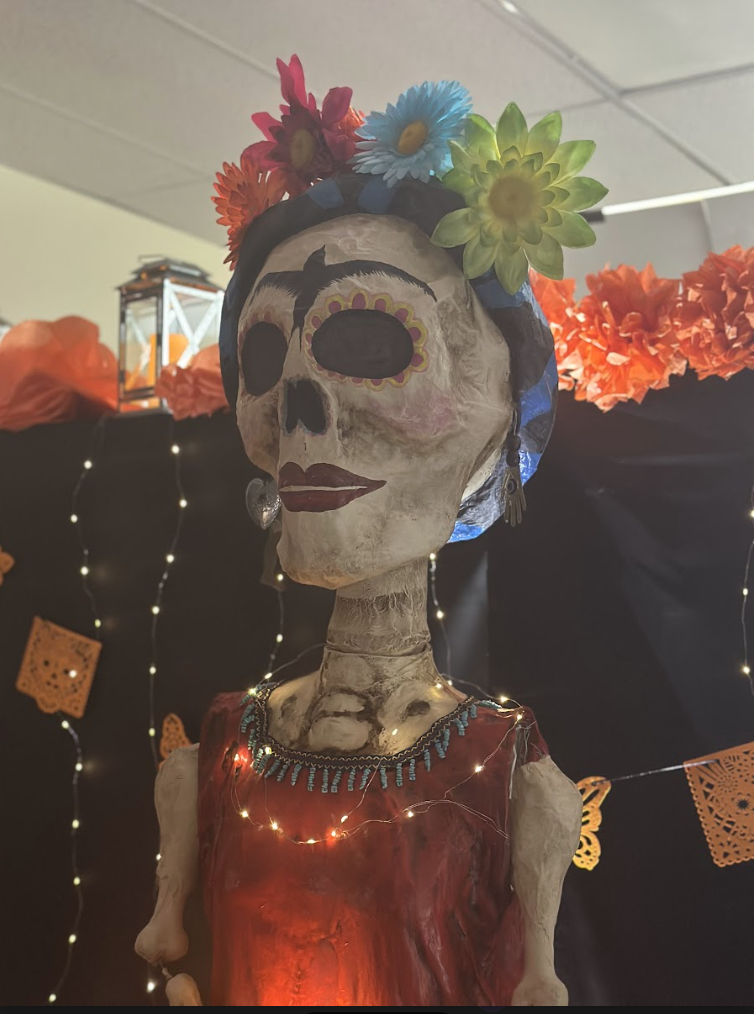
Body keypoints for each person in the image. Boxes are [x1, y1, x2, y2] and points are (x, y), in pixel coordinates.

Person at [136, 60, 604, 1007]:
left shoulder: (501, 764)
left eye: (370, 342)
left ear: (495, 419)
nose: (300, 415)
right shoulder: (228, 741)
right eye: (264, 357)